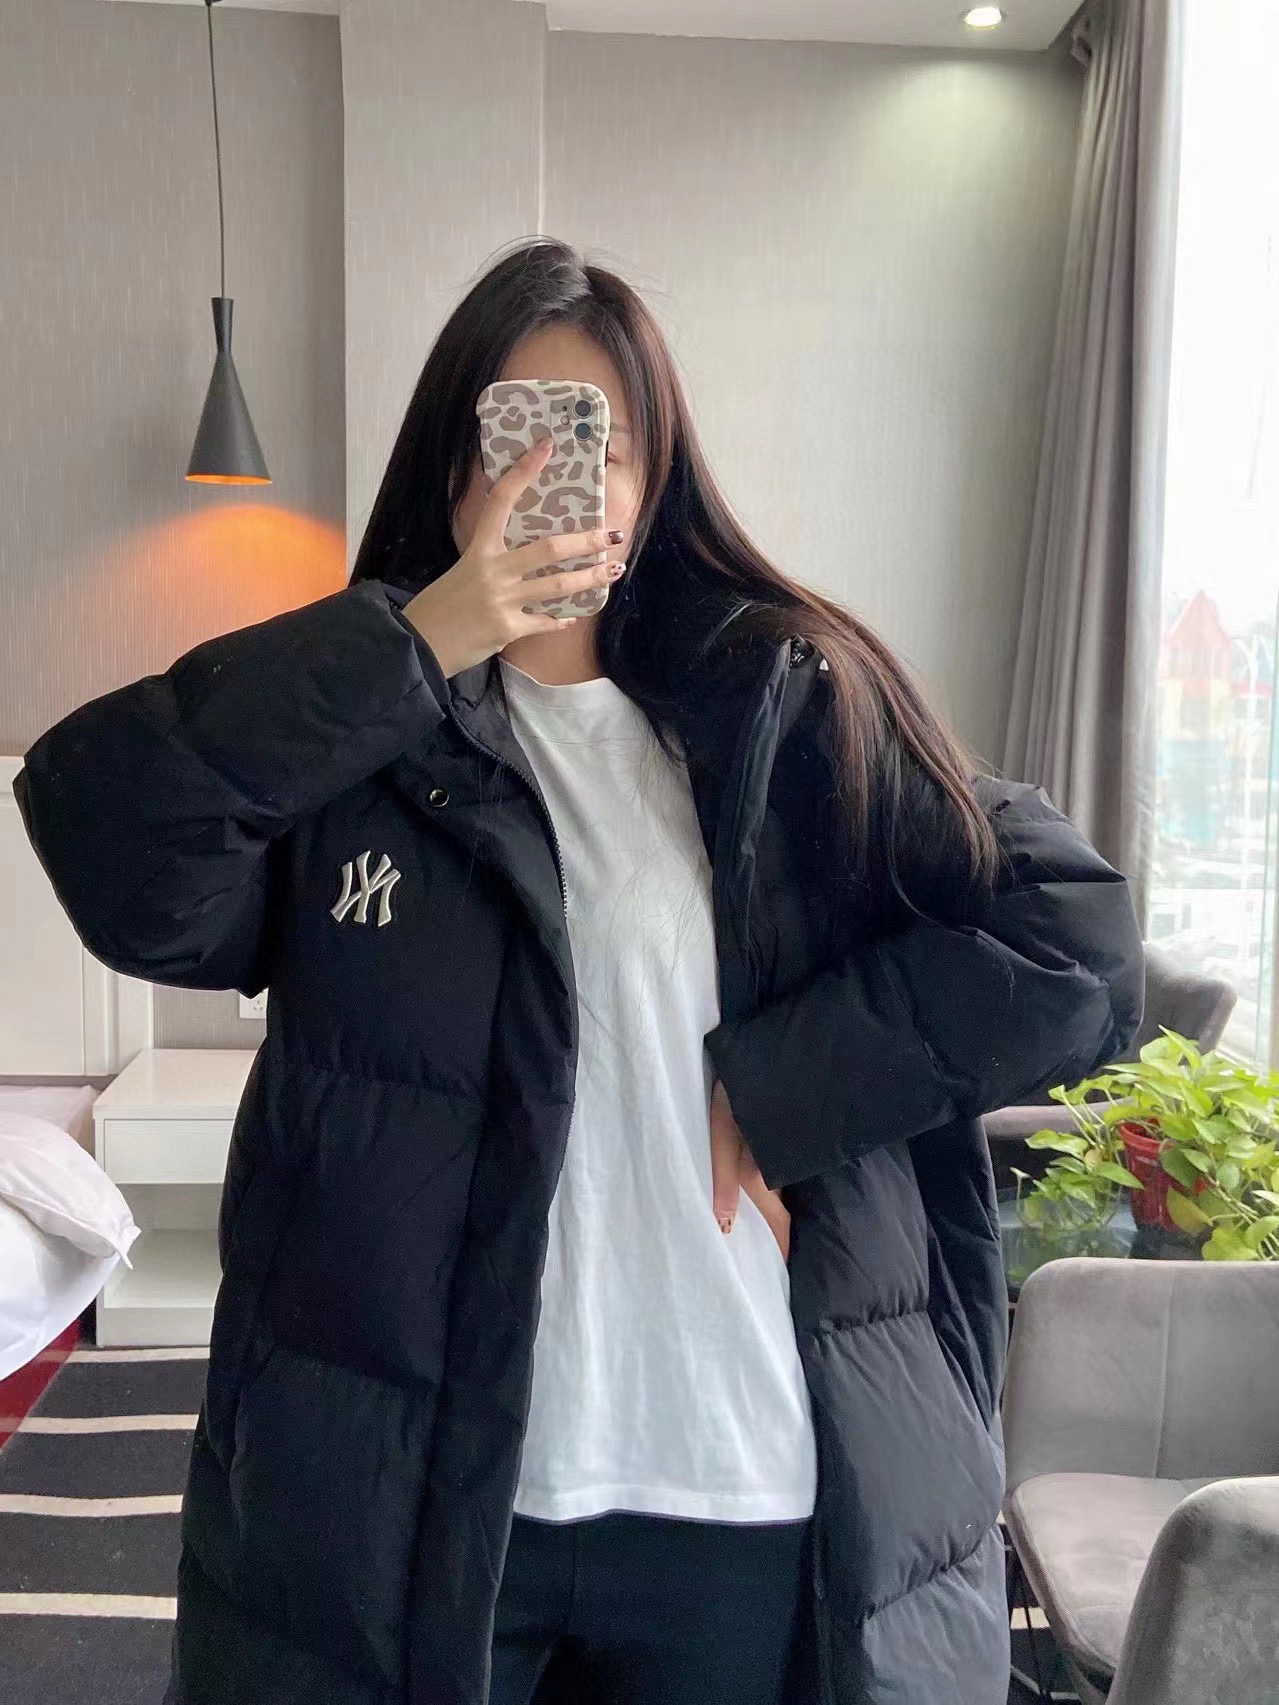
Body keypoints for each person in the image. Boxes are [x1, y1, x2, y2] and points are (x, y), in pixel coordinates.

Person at [14, 237, 1145, 1705]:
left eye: (599, 438)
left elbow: (1076, 933)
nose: (563, 473)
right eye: (520, 432)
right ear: (455, 470)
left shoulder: (787, 711)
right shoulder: (353, 757)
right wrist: (426, 635)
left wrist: (793, 1087)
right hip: (427, 1506)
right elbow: (109, 833)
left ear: (655, 477)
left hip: (740, 1472)